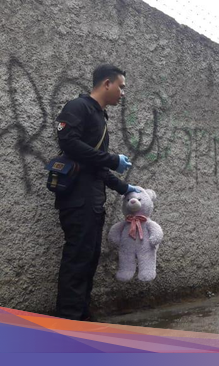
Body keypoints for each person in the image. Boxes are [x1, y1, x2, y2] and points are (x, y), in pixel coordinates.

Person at [54, 64, 140, 321]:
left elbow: (97, 165)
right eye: (121, 87)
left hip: (92, 202)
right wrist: (112, 159)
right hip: (77, 199)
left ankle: (81, 317)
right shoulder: (77, 108)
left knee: (89, 259)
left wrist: (124, 188)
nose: (123, 93)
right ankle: (68, 322)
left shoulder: (100, 117)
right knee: (77, 260)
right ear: (106, 84)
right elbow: (67, 142)